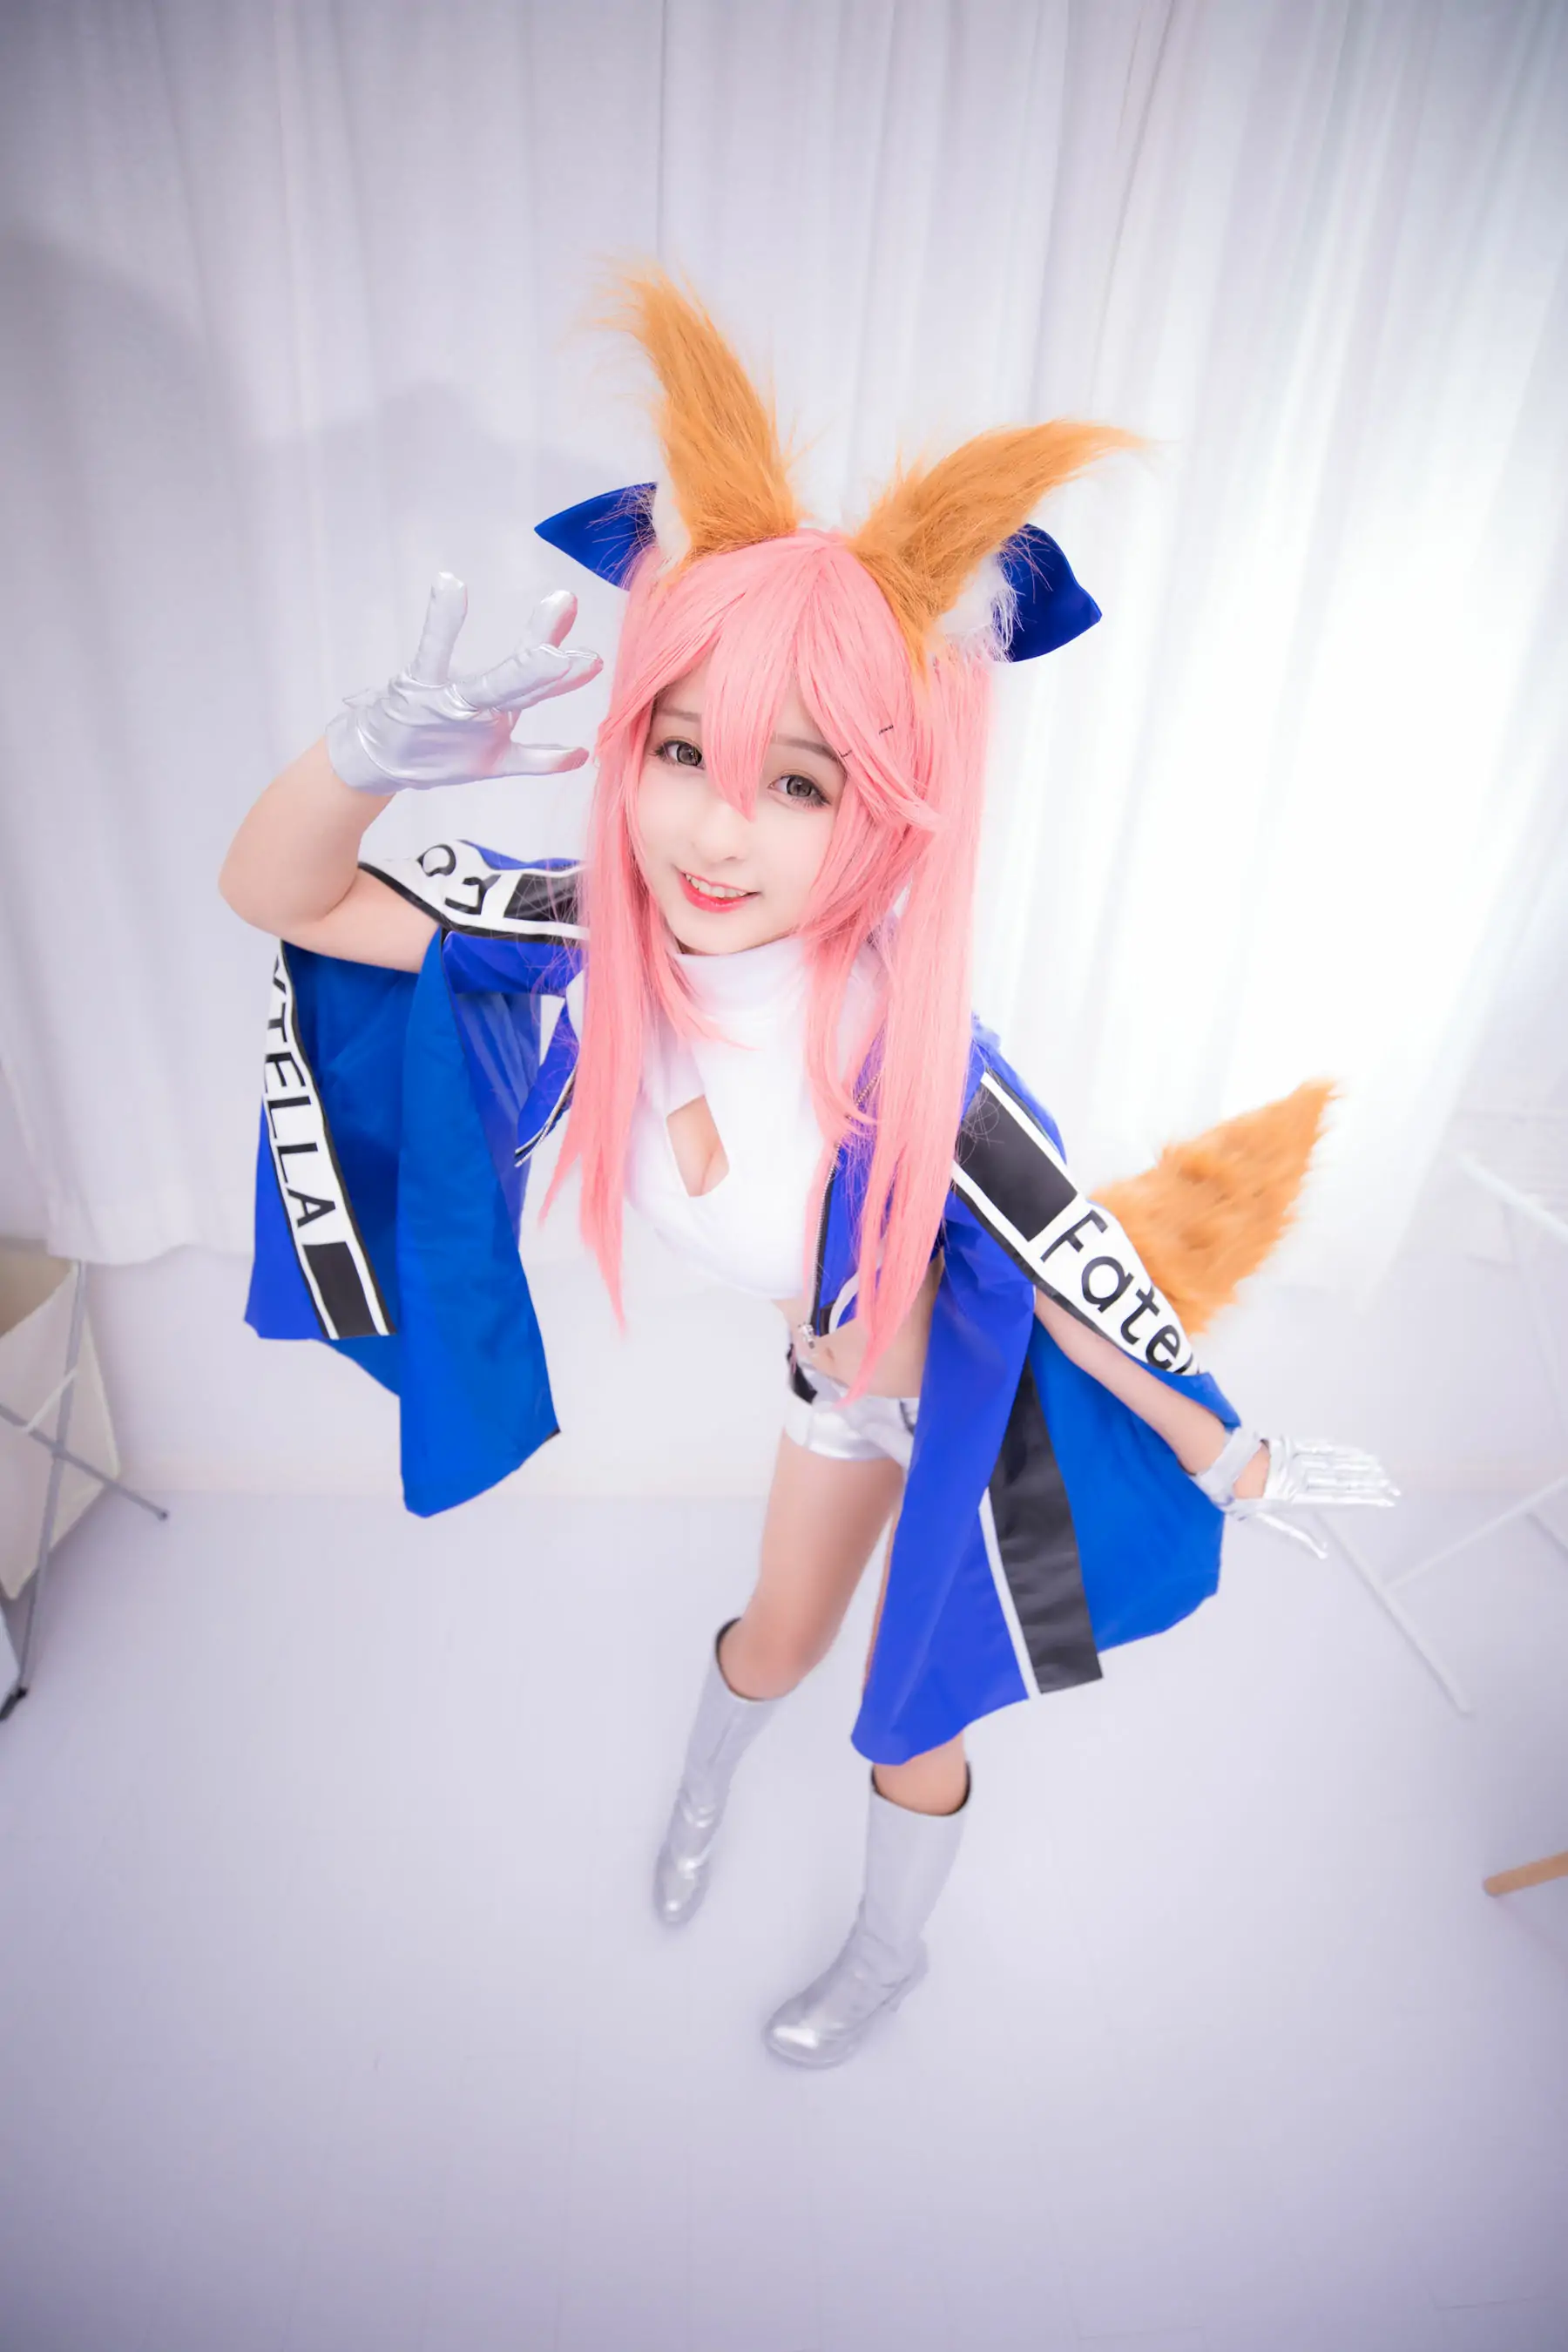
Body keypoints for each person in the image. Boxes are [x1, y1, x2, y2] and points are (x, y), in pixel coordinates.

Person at [220, 272, 1396, 2069]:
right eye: (682, 750)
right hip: (835, 1386)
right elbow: (284, 896)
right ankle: (702, 1788)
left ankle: (887, 1951)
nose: (715, 827)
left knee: (908, 1711)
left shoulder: (901, 1056)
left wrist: (1222, 1445)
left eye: (798, 783)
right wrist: (364, 760)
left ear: (891, 810)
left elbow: (1065, 1272)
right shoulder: (591, 942)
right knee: (775, 1643)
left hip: (983, 1415)